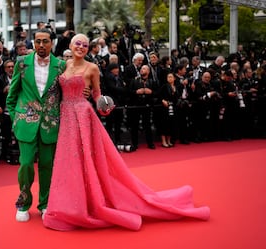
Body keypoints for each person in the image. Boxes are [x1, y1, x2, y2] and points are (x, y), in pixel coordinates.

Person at [43, 34, 210, 231]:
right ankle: (68, 206)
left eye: (85, 45)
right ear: (70, 45)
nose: (81, 47)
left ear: (88, 48)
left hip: (82, 115)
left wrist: (104, 105)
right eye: (77, 43)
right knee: (68, 162)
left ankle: (88, 205)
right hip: (66, 117)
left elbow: (97, 95)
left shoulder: (92, 68)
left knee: (86, 161)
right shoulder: (62, 66)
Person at [6, 29, 67, 222]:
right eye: (38, 41)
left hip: (50, 125)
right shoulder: (21, 63)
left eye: (45, 41)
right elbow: (11, 96)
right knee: (25, 165)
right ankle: (23, 203)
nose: (41, 45)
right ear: (33, 43)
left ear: (52, 43)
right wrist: (16, 120)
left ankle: (45, 204)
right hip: (26, 124)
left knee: (47, 166)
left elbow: (64, 96)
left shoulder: (61, 66)